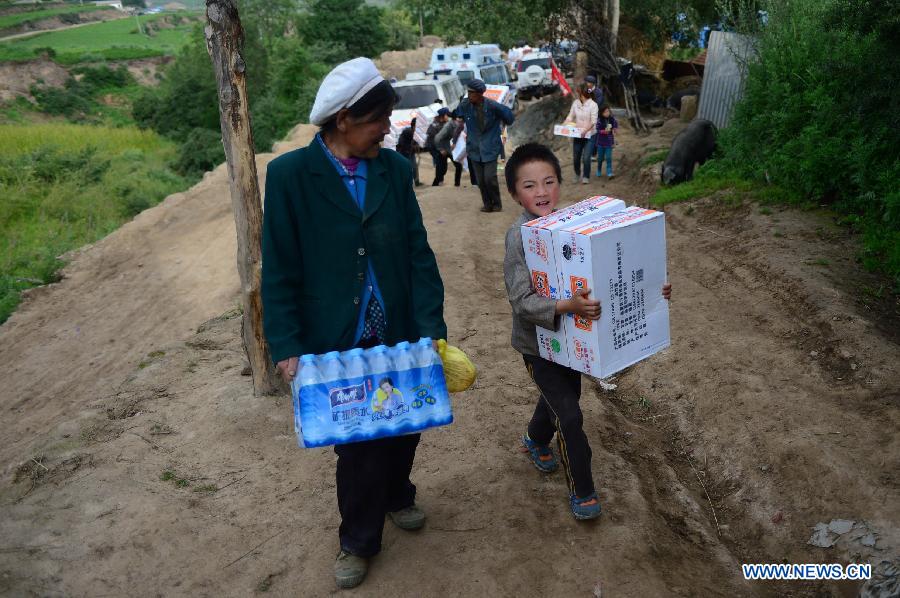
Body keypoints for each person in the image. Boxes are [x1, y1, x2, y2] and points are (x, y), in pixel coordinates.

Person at [261, 57, 447, 590]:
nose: (386, 129)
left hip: (400, 330)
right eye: (376, 120)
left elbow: (417, 252)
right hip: (336, 339)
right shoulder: (290, 176)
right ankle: (358, 540)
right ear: (343, 119)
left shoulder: (393, 170)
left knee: (409, 421)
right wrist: (288, 342)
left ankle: (398, 493)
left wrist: (431, 325)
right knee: (360, 443)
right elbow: (280, 268)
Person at [502, 143, 671, 520]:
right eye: (529, 186)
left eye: (549, 182)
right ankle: (584, 492)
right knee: (571, 415)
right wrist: (566, 307)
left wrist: (652, 290)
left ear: (560, 185)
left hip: (573, 343)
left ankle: (533, 440)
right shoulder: (519, 238)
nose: (541, 192)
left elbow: (611, 277)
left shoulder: (573, 228)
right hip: (538, 346)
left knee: (557, 401)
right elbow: (520, 300)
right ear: (514, 193)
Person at [455, 79, 515, 212]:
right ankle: (487, 204)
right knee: (480, 181)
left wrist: (502, 119)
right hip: (474, 148)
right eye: (468, 93)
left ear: (479, 94)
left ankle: (497, 203)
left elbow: (510, 118)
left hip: (490, 147)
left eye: (471, 93)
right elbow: (456, 114)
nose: (469, 95)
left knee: (489, 178)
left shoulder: (493, 106)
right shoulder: (465, 105)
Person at [564, 83, 598, 184]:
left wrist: (586, 130)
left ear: (584, 94)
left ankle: (586, 176)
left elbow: (593, 121)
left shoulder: (593, 105)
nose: (578, 95)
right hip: (578, 134)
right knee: (576, 155)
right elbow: (571, 116)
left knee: (586, 157)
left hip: (590, 134)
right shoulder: (575, 103)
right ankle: (577, 173)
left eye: (579, 93)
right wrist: (565, 123)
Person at [396, 116, 422, 186]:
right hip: (403, 153)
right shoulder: (407, 132)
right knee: (405, 168)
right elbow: (401, 143)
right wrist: (412, 147)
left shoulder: (415, 132)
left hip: (410, 152)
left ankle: (417, 182)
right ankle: (404, 184)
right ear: (414, 125)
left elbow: (416, 141)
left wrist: (416, 145)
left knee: (414, 167)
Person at [431, 107, 453, 186]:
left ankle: (439, 180)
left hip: (444, 148)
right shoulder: (435, 126)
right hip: (435, 148)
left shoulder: (446, 124)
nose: (448, 117)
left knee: (444, 167)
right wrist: (440, 149)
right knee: (440, 165)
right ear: (442, 116)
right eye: (447, 115)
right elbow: (433, 140)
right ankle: (437, 183)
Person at [595, 104, 618, 179]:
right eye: (605, 112)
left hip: (609, 142)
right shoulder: (599, 120)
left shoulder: (612, 119)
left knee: (608, 157)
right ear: (601, 113)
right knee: (600, 158)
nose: (607, 113)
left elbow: (615, 125)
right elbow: (597, 129)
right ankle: (599, 169)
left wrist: (615, 129)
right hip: (601, 142)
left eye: (608, 111)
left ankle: (609, 172)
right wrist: (603, 131)